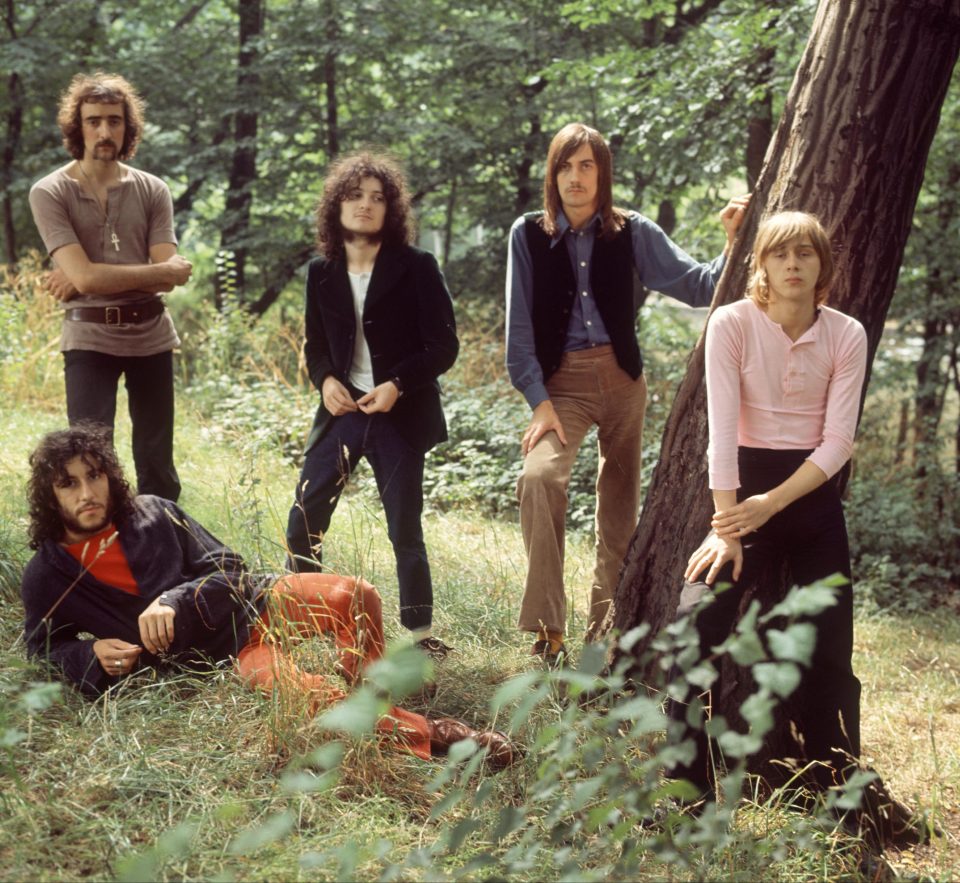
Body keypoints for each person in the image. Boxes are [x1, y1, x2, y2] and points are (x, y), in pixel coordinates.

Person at [20, 424, 518, 769]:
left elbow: (231, 568)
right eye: (69, 484)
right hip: (228, 653)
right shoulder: (48, 573)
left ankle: (371, 693)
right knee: (309, 694)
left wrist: (172, 598)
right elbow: (43, 646)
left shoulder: (154, 512)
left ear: (110, 474)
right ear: (50, 495)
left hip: (257, 603)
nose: (87, 492)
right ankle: (437, 737)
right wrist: (90, 653)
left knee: (357, 594)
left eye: (94, 475)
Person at [505, 122, 748, 662]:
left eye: (586, 165)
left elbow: (698, 286)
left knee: (619, 515)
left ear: (602, 173)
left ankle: (604, 642)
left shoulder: (632, 230)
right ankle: (548, 630)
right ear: (553, 173)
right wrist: (539, 402)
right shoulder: (528, 234)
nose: (575, 176)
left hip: (622, 383)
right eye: (565, 166)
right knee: (539, 479)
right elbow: (518, 335)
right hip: (561, 387)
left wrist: (733, 242)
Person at [668, 211, 867, 800]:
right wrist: (727, 526)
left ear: (822, 265)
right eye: (781, 254)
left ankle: (838, 797)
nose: (793, 264)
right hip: (736, 490)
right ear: (761, 263)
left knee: (829, 651)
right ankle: (686, 791)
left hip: (808, 496)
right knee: (693, 625)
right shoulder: (731, 323)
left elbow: (838, 443)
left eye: (806, 254)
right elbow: (721, 430)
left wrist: (771, 504)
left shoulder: (845, 333)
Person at [285, 152, 459, 659]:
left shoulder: (418, 267)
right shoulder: (321, 271)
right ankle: (308, 619)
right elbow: (315, 344)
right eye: (355, 195)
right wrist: (324, 381)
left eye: (377, 198)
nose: (365, 205)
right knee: (304, 516)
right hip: (341, 414)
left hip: (397, 415)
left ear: (392, 210)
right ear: (336, 205)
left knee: (404, 524)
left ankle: (419, 638)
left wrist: (398, 385)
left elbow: (443, 347)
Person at [28, 72, 193, 502]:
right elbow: (153, 271)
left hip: (151, 334)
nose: (105, 131)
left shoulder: (152, 188)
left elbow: (172, 276)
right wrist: (88, 276)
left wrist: (91, 274)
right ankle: (97, 553)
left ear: (128, 127)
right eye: (94, 120)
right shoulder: (50, 192)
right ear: (76, 127)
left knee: (157, 461)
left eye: (115, 121)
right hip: (89, 335)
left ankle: (163, 550)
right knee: (89, 457)